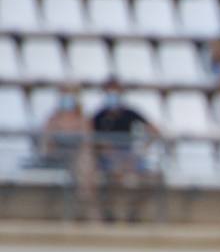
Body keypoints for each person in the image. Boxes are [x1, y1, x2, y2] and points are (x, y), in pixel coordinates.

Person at [90, 78, 161, 222]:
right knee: (111, 176)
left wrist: (142, 149)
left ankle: (133, 212)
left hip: (130, 155)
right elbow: (91, 138)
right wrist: (105, 150)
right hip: (108, 158)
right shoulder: (99, 116)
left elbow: (154, 131)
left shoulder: (130, 113)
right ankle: (110, 212)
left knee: (152, 178)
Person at [37, 86, 95, 215]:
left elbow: (87, 143)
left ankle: (84, 202)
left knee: (84, 163)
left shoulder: (83, 119)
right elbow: (45, 143)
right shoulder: (52, 119)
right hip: (57, 157)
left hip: (76, 158)